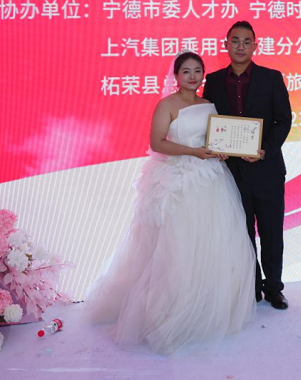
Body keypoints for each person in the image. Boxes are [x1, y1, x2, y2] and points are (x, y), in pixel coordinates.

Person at [86, 52, 255, 354]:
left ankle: (203, 311)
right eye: (186, 71)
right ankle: (167, 315)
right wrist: (194, 152)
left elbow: (215, 140)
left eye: (197, 71)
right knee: (176, 248)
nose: (192, 77)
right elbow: (158, 143)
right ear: (176, 76)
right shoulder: (166, 105)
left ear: (203, 74)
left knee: (210, 244)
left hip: (210, 179)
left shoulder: (209, 105)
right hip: (177, 181)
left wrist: (219, 150)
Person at [203, 21, 293, 310]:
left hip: (267, 169)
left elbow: (284, 120)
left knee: (271, 232)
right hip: (231, 172)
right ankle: (251, 287)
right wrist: (215, 147)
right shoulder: (214, 81)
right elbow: (209, 121)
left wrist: (265, 150)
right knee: (241, 233)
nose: (240, 46)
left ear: (255, 45)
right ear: (226, 44)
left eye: (246, 41)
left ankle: (274, 288)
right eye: (235, 41)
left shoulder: (271, 78)